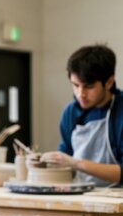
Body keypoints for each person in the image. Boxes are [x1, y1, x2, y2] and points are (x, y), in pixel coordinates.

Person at [35, 45, 123, 187]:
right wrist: (42, 163)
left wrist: (76, 163)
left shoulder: (120, 112)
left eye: (88, 87)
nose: (80, 94)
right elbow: (64, 160)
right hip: (81, 195)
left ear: (109, 82)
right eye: (75, 85)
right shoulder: (71, 113)